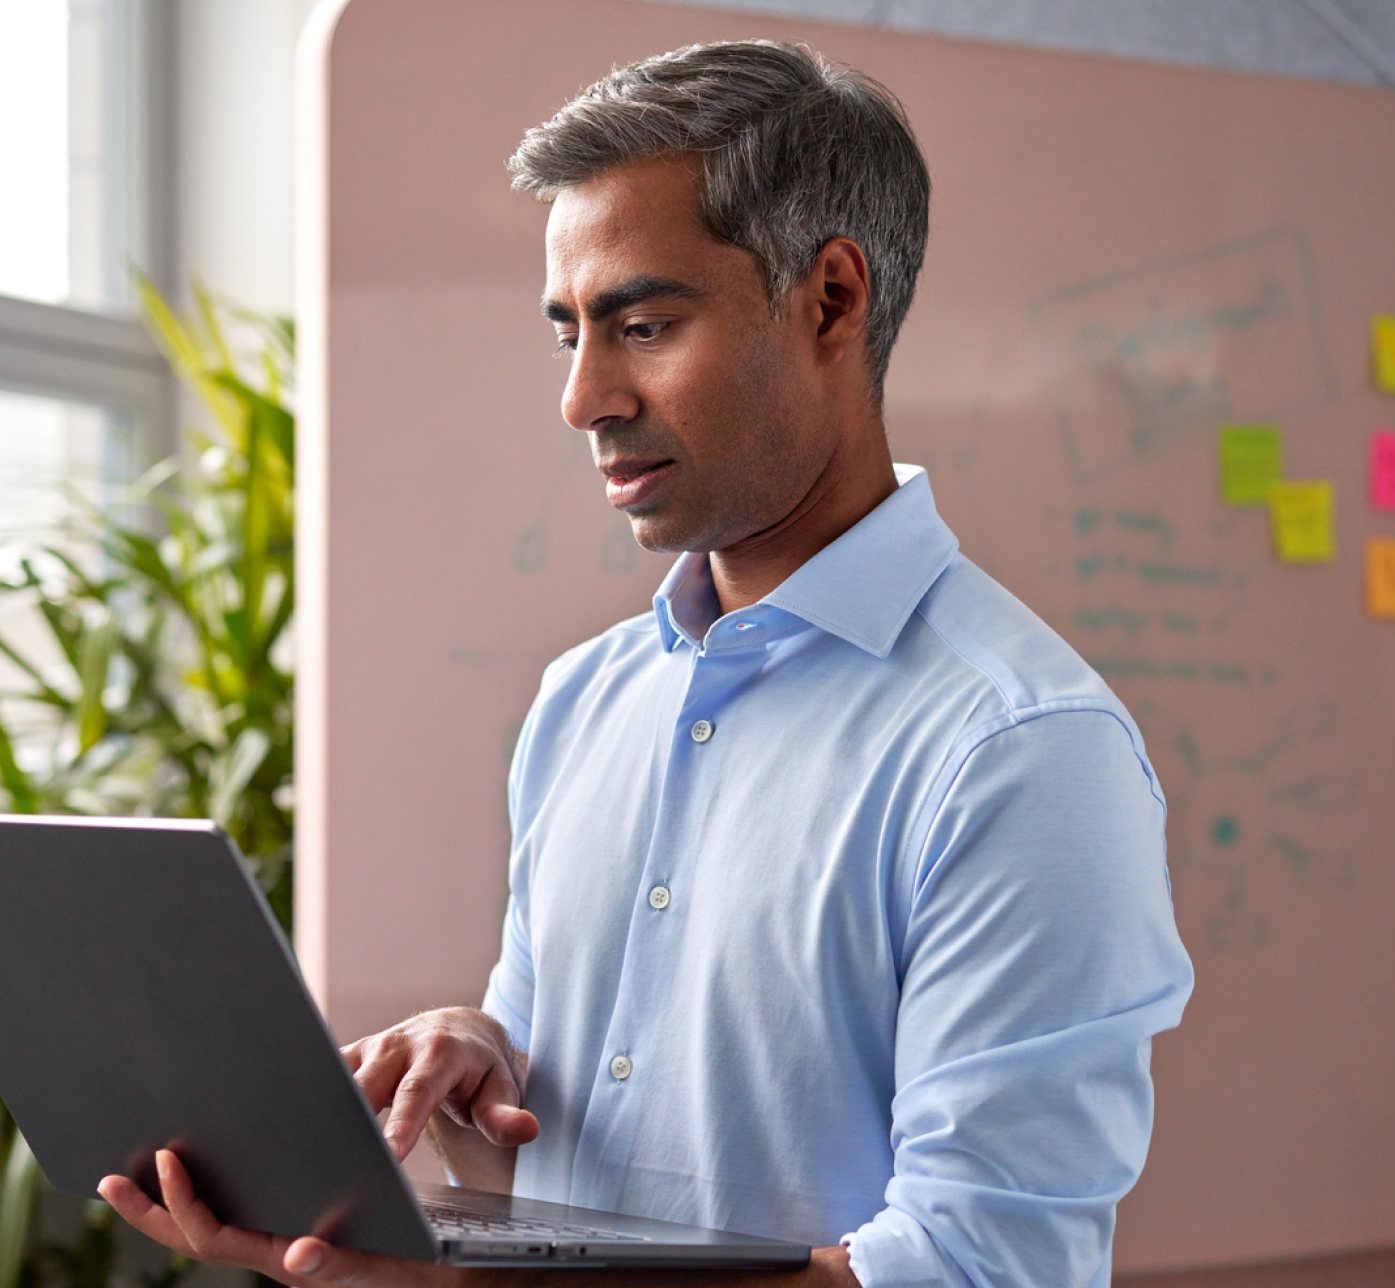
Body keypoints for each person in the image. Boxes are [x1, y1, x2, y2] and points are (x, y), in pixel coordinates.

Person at [100, 40, 1193, 1288]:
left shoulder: (1022, 749)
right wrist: (486, 1053)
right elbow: (559, 1174)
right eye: (568, 331)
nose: (583, 397)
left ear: (832, 299)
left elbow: (983, 1264)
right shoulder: (584, 700)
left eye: (643, 324)